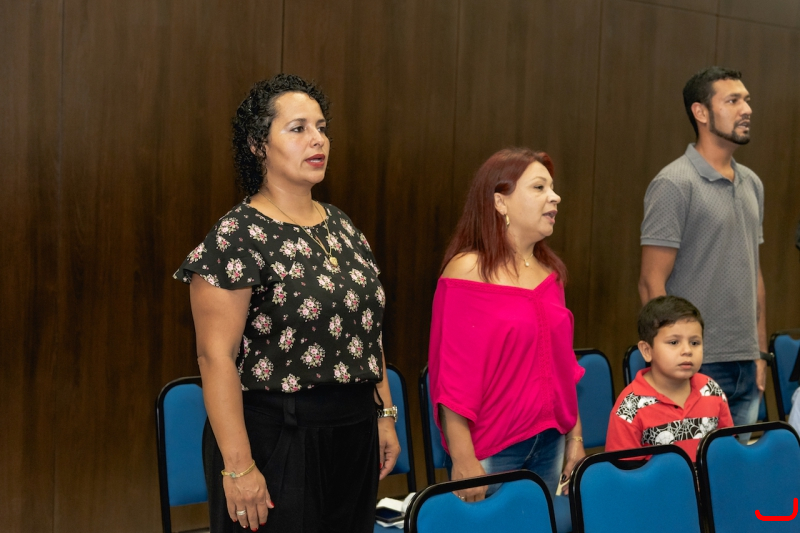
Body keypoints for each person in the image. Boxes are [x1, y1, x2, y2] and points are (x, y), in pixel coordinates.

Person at [174, 74, 400, 533]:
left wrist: (384, 415)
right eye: (298, 128)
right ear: (258, 145)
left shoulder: (342, 226)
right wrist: (239, 468)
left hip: (354, 430)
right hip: (276, 437)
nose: (318, 140)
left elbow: (367, 333)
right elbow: (215, 357)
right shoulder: (236, 236)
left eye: (321, 128)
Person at [428, 147, 585, 502]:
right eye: (539, 187)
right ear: (500, 202)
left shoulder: (550, 275)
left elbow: (563, 369)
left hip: (551, 443)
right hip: (492, 450)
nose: (555, 197)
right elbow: (451, 379)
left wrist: (575, 438)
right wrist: (463, 459)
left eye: (552, 188)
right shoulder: (467, 271)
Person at [639, 66, 766, 434]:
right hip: (696, 365)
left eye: (746, 100)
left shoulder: (752, 183)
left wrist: (760, 354)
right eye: (733, 100)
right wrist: (673, 366)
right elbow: (650, 283)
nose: (747, 109)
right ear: (701, 112)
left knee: (735, 468)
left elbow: (754, 274)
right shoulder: (673, 183)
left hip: (747, 363)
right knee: (694, 469)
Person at [606, 296, 733, 461]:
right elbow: (624, 472)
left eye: (695, 343)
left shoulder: (711, 390)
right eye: (674, 342)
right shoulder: (629, 408)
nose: (687, 350)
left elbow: (728, 452)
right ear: (647, 350)